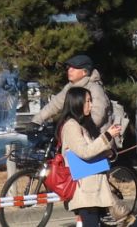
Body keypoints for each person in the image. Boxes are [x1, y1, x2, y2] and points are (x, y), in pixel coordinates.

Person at [57, 88, 122, 227]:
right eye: (87, 101)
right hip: (84, 189)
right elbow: (84, 152)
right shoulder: (71, 126)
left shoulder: (82, 125)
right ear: (77, 102)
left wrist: (108, 153)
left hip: (92, 187)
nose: (91, 105)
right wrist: (107, 135)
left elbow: (91, 150)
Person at [35, 54, 111, 127]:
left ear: (84, 72)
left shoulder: (95, 88)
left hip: (97, 133)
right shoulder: (70, 87)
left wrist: (79, 128)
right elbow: (54, 105)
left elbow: (98, 116)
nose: (69, 70)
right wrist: (36, 121)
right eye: (69, 68)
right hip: (77, 130)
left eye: (74, 68)